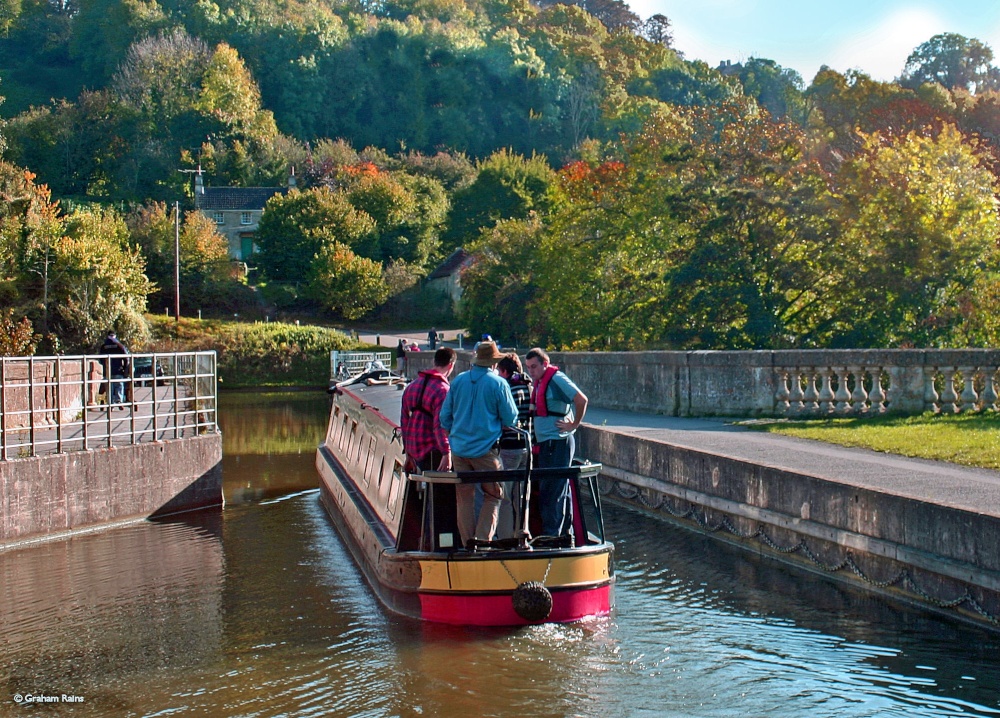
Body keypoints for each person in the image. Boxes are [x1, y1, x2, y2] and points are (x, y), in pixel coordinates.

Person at [439, 341, 517, 548]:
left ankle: (467, 544)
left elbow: (444, 417)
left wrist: (454, 435)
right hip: (485, 451)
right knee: (494, 494)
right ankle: (482, 541)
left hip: (459, 450)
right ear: (493, 362)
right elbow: (511, 418)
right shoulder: (498, 383)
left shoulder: (458, 381)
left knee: (464, 498)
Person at [524, 347, 588, 537]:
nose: (531, 372)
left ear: (545, 364)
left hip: (557, 442)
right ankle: (562, 532)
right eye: (528, 368)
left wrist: (574, 424)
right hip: (548, 443)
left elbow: (581, 399)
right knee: (557, 487)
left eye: (534, 367)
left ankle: (553, 535)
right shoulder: (541, 381)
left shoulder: (556, 379)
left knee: (552, 489)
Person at [400, 347, 456, 473]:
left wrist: (408, 452)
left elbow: (404, 423)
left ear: (434, 362)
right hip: (433, 452)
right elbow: (440, 425)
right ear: (451, 365)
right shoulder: (443, 391)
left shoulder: (411, 387)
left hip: (414, 451)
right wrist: (446, 453)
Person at [496, 353, 532, 539]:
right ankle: (522, 533)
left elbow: (506, 419)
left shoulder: (507, 388)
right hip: (527, 447)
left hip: (509, 446)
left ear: (504, 371)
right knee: (522, 495)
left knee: (505, 496)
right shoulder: (528, 386)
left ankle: (505, 537)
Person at [100, 330, 130, 409]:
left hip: (107, 371)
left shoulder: (103, 346)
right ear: (115, 335)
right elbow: (126, 358)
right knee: (119, 386)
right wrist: (125, 369)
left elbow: (100, 359)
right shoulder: (119, 345)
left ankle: (110, 403)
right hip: (118, 370)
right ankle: (119, 401)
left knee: (109, 387)